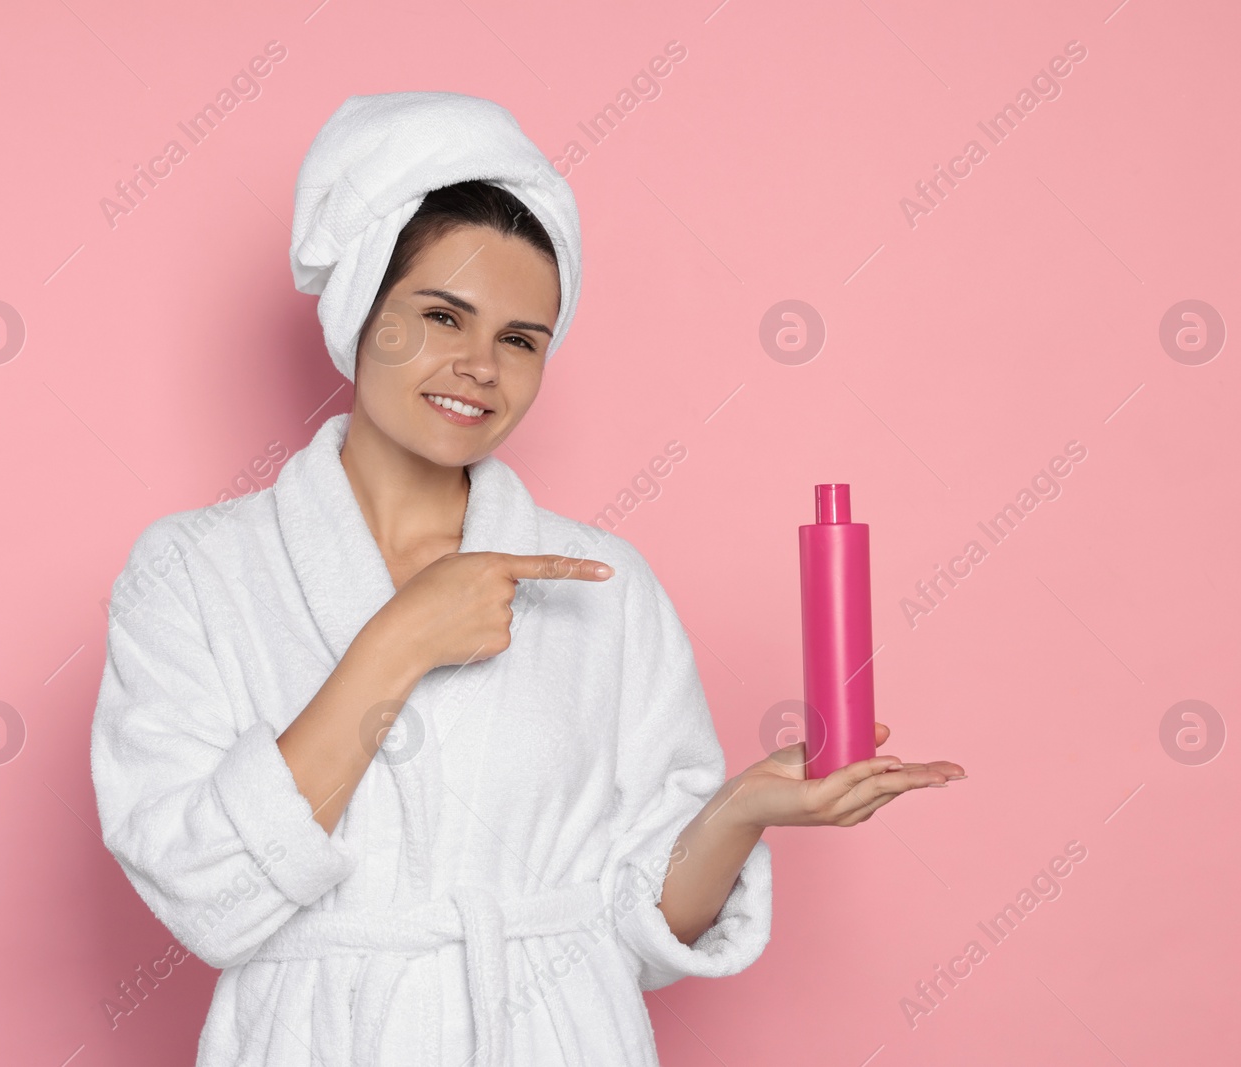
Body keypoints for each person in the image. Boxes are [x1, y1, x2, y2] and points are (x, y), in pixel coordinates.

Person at [90, 91, 964, 1067]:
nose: (478, 366)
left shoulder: (604, 583)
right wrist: (398, 641)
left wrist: (740, 808)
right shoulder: (195, 573)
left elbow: (644, 929)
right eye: (440, 315)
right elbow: (204, 891)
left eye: (520, 338)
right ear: (358, 308)